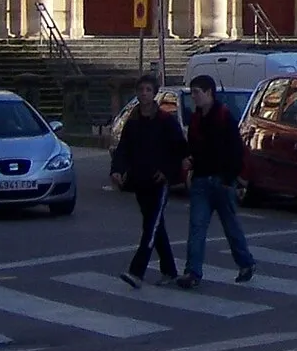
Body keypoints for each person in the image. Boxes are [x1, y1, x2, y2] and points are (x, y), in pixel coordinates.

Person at [178, 74, 255, 287]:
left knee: (230, 226)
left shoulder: (223, 116)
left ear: (209, 93)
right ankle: (192, 272)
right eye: (192, 92)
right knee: (197, 227)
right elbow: (193, 146)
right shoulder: (196, 119)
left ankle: (245, 262)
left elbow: (235, 149)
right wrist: (190, 161)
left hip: (221, 180)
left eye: (197, 92)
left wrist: (230, 178)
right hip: (202, 179)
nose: (193, 97)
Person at [109, 75, 185, 288]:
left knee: (151, 227)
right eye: (141, 89)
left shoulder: (165, 121)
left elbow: (178, 149)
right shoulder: (132, 122)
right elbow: (123, 149)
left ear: (154, 94)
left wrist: (167, 171)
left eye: (148, 90)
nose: (144, 93)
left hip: (159, 181)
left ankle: (137, 271)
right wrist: (117, 170)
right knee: (154, 226)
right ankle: (170, 270)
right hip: (140, 180)